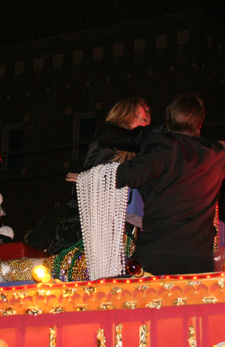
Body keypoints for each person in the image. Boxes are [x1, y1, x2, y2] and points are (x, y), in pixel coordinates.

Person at [108, 94, 225, 275]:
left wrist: (90, 177)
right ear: (199, 124)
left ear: (169, 120)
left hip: (157, 253)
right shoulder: (216, 156)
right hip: (197, 259)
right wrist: (223, 148)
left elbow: (127, 174)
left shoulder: (163, 147)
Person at [28, 98, 152, 254]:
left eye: (145, 119)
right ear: (124, 115)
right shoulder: (109, 136)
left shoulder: (138, 153)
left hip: (116, 224)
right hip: (86, 222)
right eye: (138, 116)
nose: (143, 122)